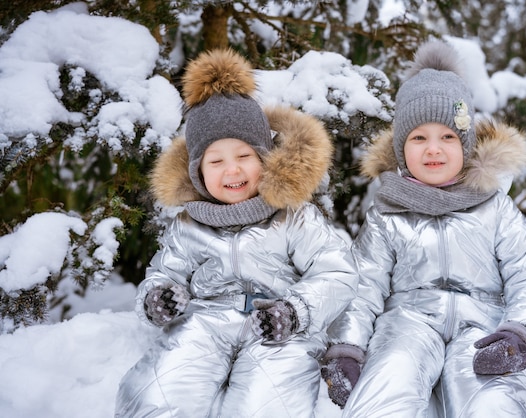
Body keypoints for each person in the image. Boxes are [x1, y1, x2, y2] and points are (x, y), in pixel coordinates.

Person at [114, 49, 358, 418]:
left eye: (244, 156)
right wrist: (158, 298)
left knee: (268, 404)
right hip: (204, 323)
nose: (232, 170)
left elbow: (336, 272)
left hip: (277, 328)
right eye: (216, 161)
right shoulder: (189, 223)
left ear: (265, 158)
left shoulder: (293, 216)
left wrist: (295, 311)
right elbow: (165, 271)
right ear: (197, 172)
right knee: (158, 393)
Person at [320, 40, 526, 417]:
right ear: (401, 148)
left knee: (491, 400)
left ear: (465, 144)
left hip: (482, 330)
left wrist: (518, 333)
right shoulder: (388, 213)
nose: (434, 149)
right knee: (388, 380)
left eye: (448, 137)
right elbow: (363, 286)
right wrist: (347, 348)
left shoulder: (493, 206)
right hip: (407, 324)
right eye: (419, 138)